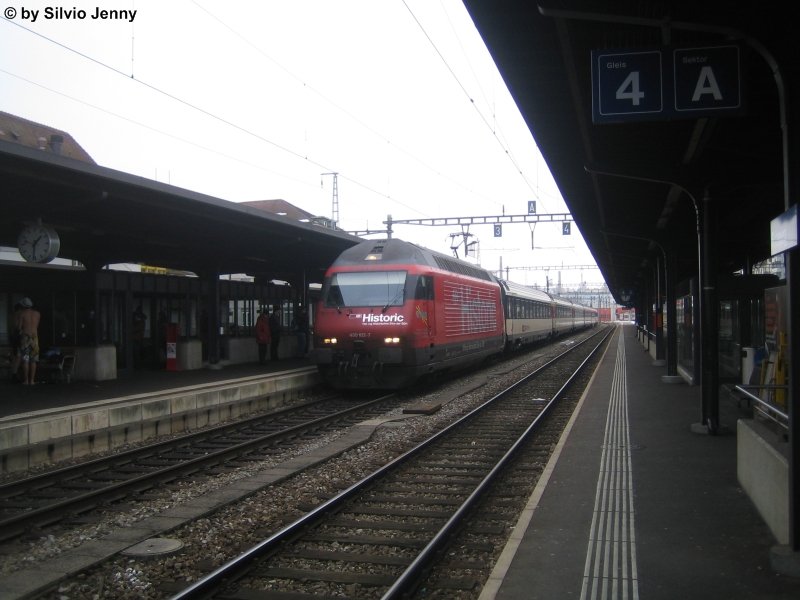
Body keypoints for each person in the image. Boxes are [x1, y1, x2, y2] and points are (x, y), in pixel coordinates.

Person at [17, 297, 41, 385]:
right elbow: (36, 326)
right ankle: (32, 380)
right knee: (33, 360)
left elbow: (19, 327)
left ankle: (26, 380)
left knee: (26, 359)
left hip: (25, 337)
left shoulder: (22, 314)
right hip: (35, 338)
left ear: (23, 306)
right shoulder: (37, 314)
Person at [9, 302, 23, 382]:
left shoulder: (12, 315)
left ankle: (14, 373)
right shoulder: (19, 314)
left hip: (12, 337)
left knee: (15, 356)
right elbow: (18, 326)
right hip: (17, 336)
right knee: (18, 356)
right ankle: (14, 374)